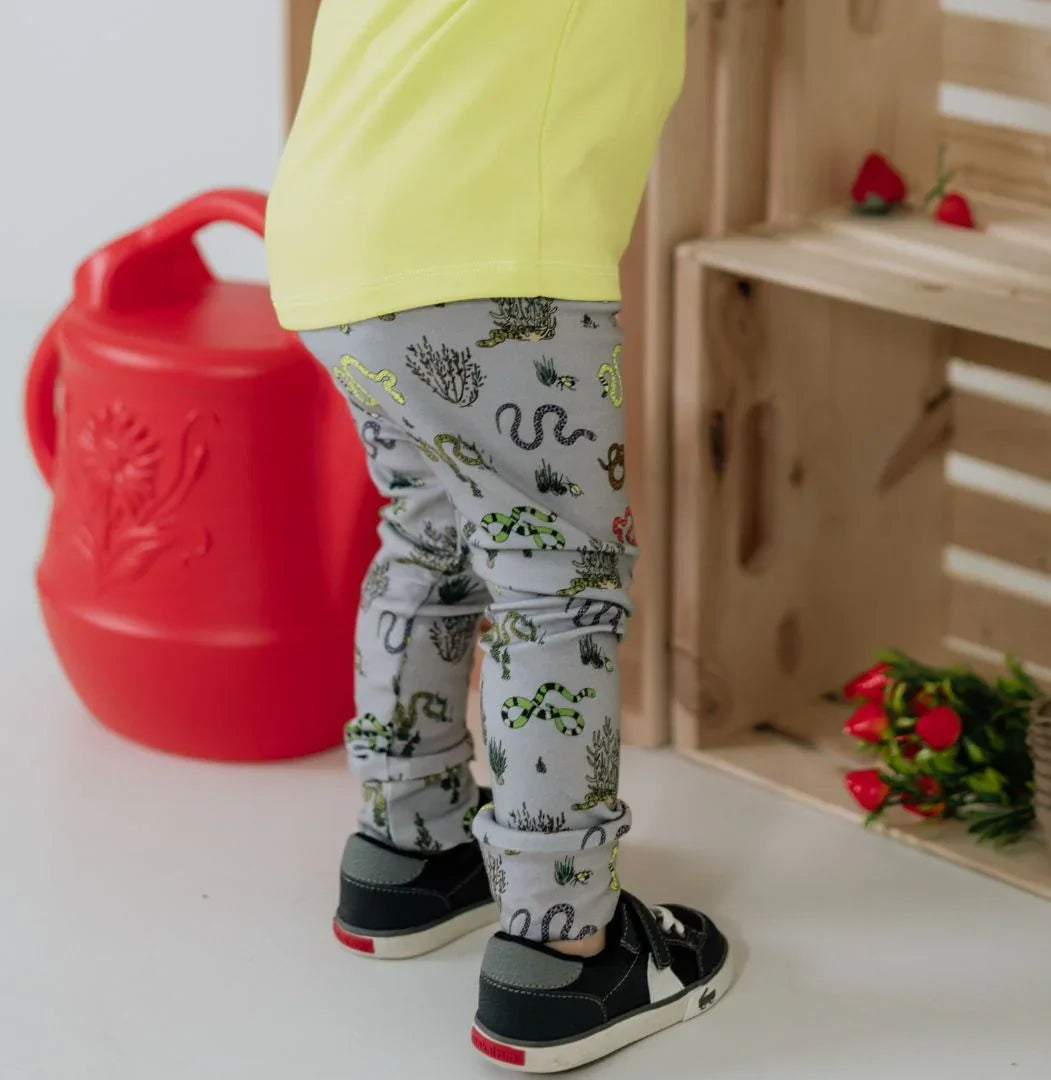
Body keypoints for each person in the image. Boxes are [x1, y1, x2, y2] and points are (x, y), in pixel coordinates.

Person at [266, 1, 732, 1069]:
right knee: (556, 582)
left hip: (335, 237)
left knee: (430, 533)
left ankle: (410, 846)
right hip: (489, 255)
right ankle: (565, 946)